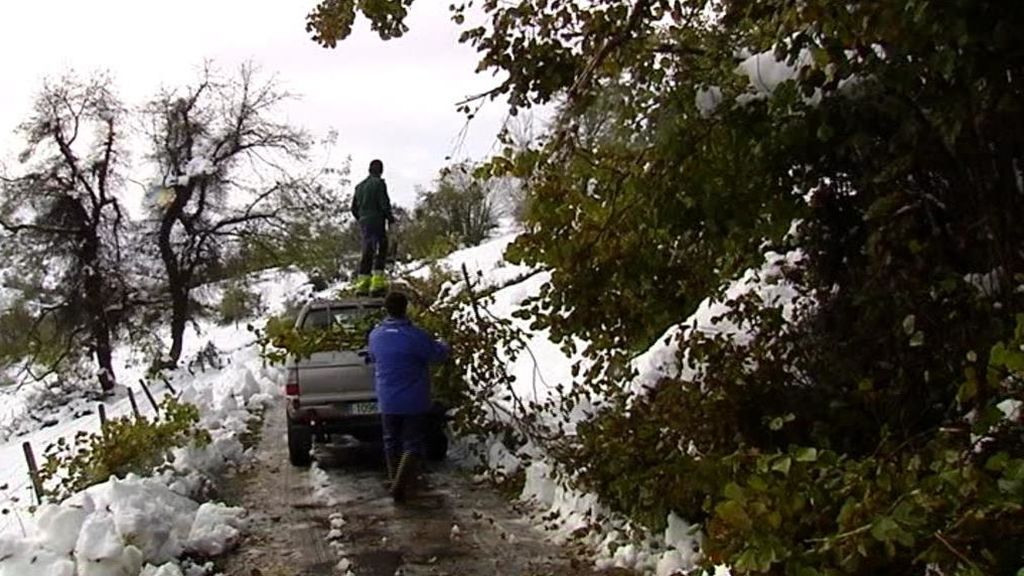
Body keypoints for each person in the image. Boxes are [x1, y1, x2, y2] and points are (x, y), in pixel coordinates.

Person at [368, 291, 449, 500]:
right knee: (412, 443)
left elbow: (373, 356)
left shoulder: (376, 335)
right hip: (414, 400)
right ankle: (400, 485)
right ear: (406, 308)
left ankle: (395, 478)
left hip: (387, 399)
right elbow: (437, 355)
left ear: (386, 309)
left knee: (390, 441)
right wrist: (444, 343)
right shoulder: (415, 336)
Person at [351, 159, 396, 295]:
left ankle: (362, 286)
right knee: (381, 249)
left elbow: (353, 208)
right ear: (380, 170)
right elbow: (384, 204)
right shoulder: (379, 184)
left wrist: (362, 218)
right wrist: (390, 219)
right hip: (377, 221)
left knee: (367, 251)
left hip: (364, 223)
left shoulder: (359, 187)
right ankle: (377, 285)